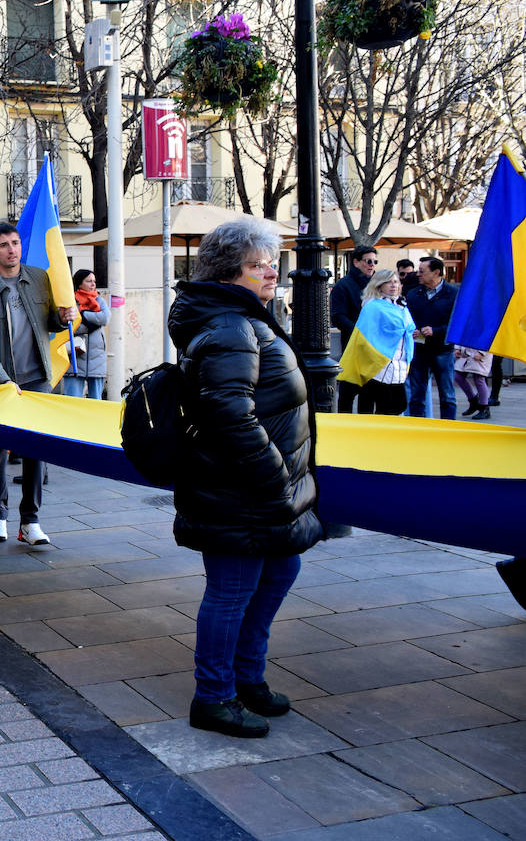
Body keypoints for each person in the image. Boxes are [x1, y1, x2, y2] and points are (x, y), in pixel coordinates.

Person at [168, 217, 324, 739]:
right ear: (229, 273)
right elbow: (229, 414)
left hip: (264, 490)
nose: (271, 271)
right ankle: (212, 696)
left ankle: (247, 677)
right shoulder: (231, 326)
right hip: (243, 489)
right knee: (232, 590)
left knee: (279, 574)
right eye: (258, 265)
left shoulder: (241, 317)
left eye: (271, 262)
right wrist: (275, 475)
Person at [0, 222, 77, 546]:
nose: (11, 249)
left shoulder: (39, 278)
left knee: (34, 449)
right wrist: (3, 382)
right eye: (3, 244)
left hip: (36, 378)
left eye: (15, 242)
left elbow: (50, 323)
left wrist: (63, 316)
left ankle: (31, 520)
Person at [344, 270, 416, 416]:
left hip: (400, 363)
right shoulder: (373, 307)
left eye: (395, 282)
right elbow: (365, 336)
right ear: (379, 285)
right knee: (380, 407)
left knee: (398, 405)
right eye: (388, 282)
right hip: (379, 364)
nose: (393, 285)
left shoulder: (401, 305)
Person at [405, 256, 460, 419]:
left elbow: (456, 323)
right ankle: (418, 429)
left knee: (447, 394)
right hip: (419, 350)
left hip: (443, 350)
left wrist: (435, 330)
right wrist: (412, 329)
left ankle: (448, 429)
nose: (418, 274)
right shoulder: (414, 293)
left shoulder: (453, 294)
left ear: (436, 273)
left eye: (422, 271)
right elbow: (407, 319)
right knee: (416, 394)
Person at [331, 246, 378, 412]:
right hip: (352, 345)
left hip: (373, 348)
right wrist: (360, 334)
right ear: (356, 262)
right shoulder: (343, 285)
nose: (372, 265)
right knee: (347, 392)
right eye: (368, 261)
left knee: (369, 393)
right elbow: (337, 316)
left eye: (375, 261)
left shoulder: (377, 285)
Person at [63, 269, 110, 399]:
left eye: (94, 281)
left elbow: (105, 318)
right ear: (79, 283)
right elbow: (69, 326)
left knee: (96, 403)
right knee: (72, 402)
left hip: (97, 360)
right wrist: (92, 324)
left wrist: (83, 315)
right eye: (89, 281)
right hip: (75, 360)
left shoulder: (99, 300)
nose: (93, 284)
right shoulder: (71, 301)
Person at [455, 345, 494, 420]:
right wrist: (457, 348)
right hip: (466, 351)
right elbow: (461, 333)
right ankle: (474, 402)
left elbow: (490, 335)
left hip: (480, 351)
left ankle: (484, 408)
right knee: (458, 376)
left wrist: (483, 352)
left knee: (479, 379)